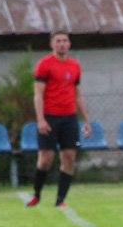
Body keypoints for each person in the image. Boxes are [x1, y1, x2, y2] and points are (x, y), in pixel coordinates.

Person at [26, 30, 91, 208]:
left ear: (69, 44)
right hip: (49, 117)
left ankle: (60, 200)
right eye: (58, 41)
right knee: (46, 158)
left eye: (65, 40)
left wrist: (85, 120)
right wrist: (40, 119)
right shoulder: (44, 65)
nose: (62, 44)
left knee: (69, 157)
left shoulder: (74, 66)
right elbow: (38, 94)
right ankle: (36, 195)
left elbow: (78, 95)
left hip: (69, 117)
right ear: (52, 45)